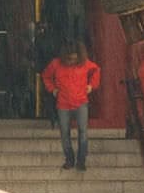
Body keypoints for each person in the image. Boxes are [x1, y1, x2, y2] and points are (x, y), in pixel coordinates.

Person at [42, 41, 102, 171]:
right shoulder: (55, 64)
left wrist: (91, 86)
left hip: (81, 102)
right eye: (70, 58)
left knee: (83, 132)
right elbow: (46, 76)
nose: (72, 61)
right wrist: (52, 89)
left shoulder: (86, 64)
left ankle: (81, 161)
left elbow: (96, 70)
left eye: (75, 58)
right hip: (63, 104)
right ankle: (69, 159)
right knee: (65, 133)